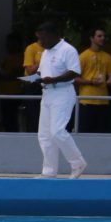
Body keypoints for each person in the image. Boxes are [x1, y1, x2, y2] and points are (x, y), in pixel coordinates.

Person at [35, 22, 87, 179]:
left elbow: (74, 72)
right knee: (44, 134)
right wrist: (35, 78)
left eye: (42, 38)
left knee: (57, 131)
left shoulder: (68, 50)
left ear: (53, 35)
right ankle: (49, 171)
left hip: (62, 93)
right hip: (47, 94)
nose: (40, 42)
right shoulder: (45, 52)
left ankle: (77, 163)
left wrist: (54, 80)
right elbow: (41, 71)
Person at [77, 28, 111, 134]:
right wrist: (91, 82)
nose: (102, 38)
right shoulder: (83, 56)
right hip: (87, 100)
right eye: (99, 36)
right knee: (84, 132)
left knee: (101, 132)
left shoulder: (108, 57)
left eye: (103, 36)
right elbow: (75, 77)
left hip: (103, 100)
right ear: (92, 38)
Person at [20, 35, 44, 132]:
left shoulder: (53, 49)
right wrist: (44, 63)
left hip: (48, 85)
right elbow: (30, 70)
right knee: (33, 116)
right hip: (33, 85)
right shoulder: (31, 48)